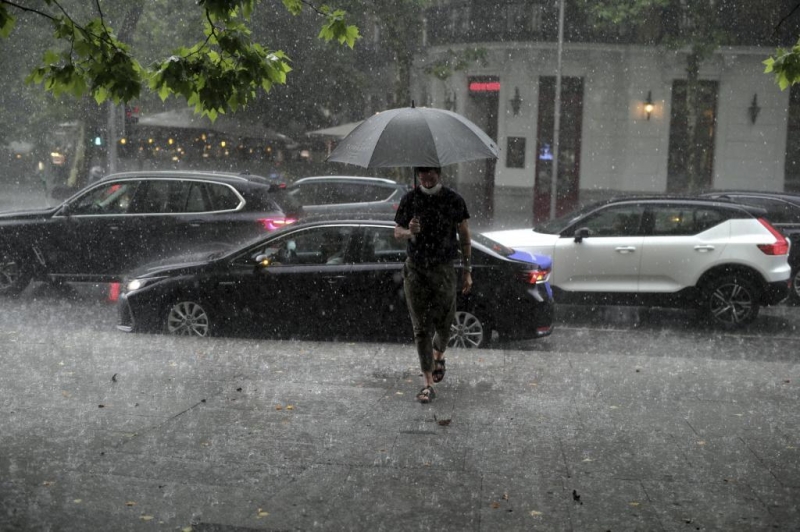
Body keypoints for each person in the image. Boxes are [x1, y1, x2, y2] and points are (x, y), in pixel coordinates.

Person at [394, 166, 473, 404]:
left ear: (439, 174)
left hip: (444, 268)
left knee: (445, 324)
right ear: (417, 175)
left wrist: (468, 270)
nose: (426, 180)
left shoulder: (453, 200)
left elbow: (465, 236)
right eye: (422, 176)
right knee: (421, 328)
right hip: (416, 268)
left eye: (431, 176)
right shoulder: (410, 199)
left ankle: (438, 354)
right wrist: (410, 231)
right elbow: (397, 232)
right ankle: (427, 384)